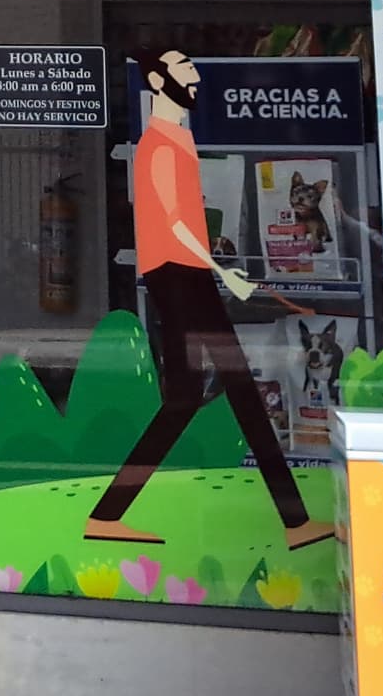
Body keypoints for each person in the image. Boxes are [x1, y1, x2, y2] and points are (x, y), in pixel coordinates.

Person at [81, 50, 334, 550]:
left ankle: (108, 515)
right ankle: (295, 522)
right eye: (183, 68)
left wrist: (217, 263)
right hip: (180, 275)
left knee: (194, 396)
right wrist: (225, 274)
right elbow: (173, 222)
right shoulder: (158, 145)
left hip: (186, 272)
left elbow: (184, 221)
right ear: (158, 80)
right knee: (228, 387)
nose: (195, 75)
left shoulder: (177, 138)